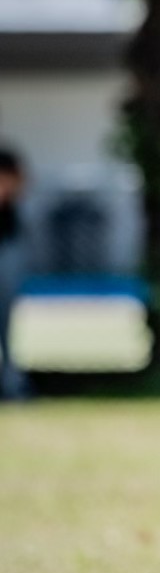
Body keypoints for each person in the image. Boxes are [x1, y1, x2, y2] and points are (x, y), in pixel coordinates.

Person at [0, 143, 28, 402]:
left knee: (6, 322)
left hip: (6, 244)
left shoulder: (7, 155)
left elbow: (19, 184)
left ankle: (12, 387)